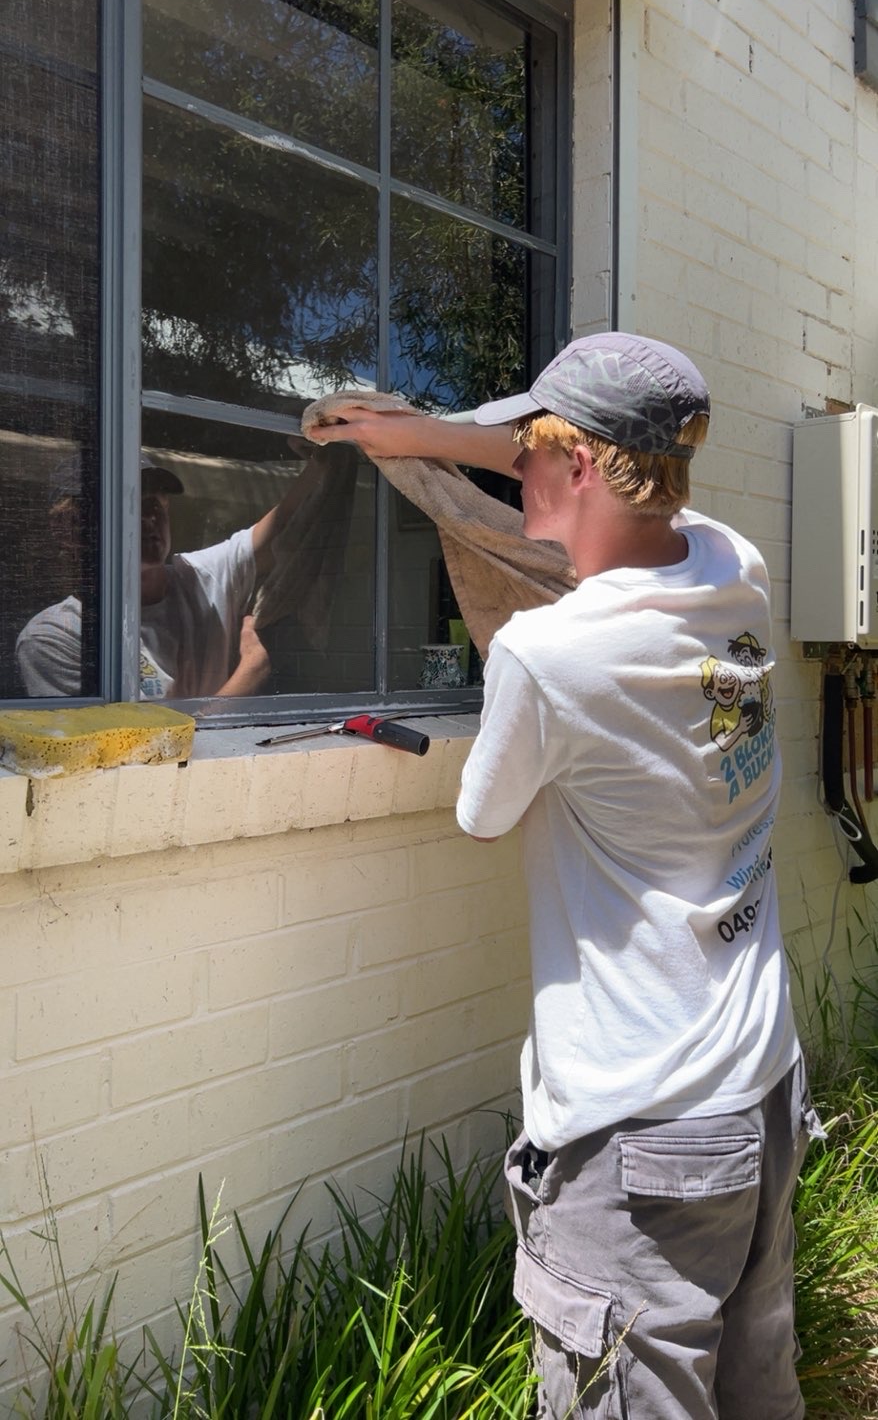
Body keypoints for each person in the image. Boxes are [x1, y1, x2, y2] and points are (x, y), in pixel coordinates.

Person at [310, 332, 821, 1420]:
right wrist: (419, 440)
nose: (513, 463)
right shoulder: (734, 568)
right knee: (753, 1388)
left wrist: (424, 452)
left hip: (641, 1139)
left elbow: (483, 813)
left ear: (576, 465)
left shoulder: (548, 656)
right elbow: (580, 478)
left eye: (528, 447)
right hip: (759, 1088)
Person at [17, 446, 327, 700]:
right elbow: (132, 759)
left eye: (155, 503)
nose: (150, 517)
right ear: (69, 529)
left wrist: (323, 458)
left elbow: (287, 525)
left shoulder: (198, 577)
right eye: (128, 505)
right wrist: (250, 675)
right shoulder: (57, 637)